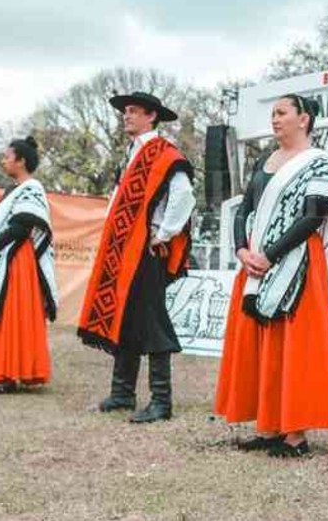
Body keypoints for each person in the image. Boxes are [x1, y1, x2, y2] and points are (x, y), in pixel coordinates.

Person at [214, 94, 328, 458]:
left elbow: (313, 217)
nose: (275, 119)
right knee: (261, 342)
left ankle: (295, 434)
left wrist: (270, 254)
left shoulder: (319, 163)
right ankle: (269, 425)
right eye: (272, 114)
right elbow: (243, 209)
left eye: (281, 113)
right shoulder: (266, 161)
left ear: (304, 119)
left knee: (294, 345)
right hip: (255, 264)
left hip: (298, 262)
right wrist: (242, 250)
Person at [78, 92, 194, 423]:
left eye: (133, 111)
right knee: (125, 318)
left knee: (152, 320)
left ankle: (161, 401)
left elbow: (184, 196)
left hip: (145, 251)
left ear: (151, 116)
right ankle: (122, 393)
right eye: (125, 111)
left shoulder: (164, 154)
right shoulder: (134, 153)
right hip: (124, 251)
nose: (126, 116)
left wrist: (163, 234)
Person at [0, 137, 59, 394]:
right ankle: (2, 372)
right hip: (3, 257)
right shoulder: (13, 190)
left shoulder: (32, 188)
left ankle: (8, 374)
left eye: (6, 157)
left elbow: (21, 227)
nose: (3, 161)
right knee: (1, 312)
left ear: (21, 161)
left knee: (11, 314)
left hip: (16, 260)